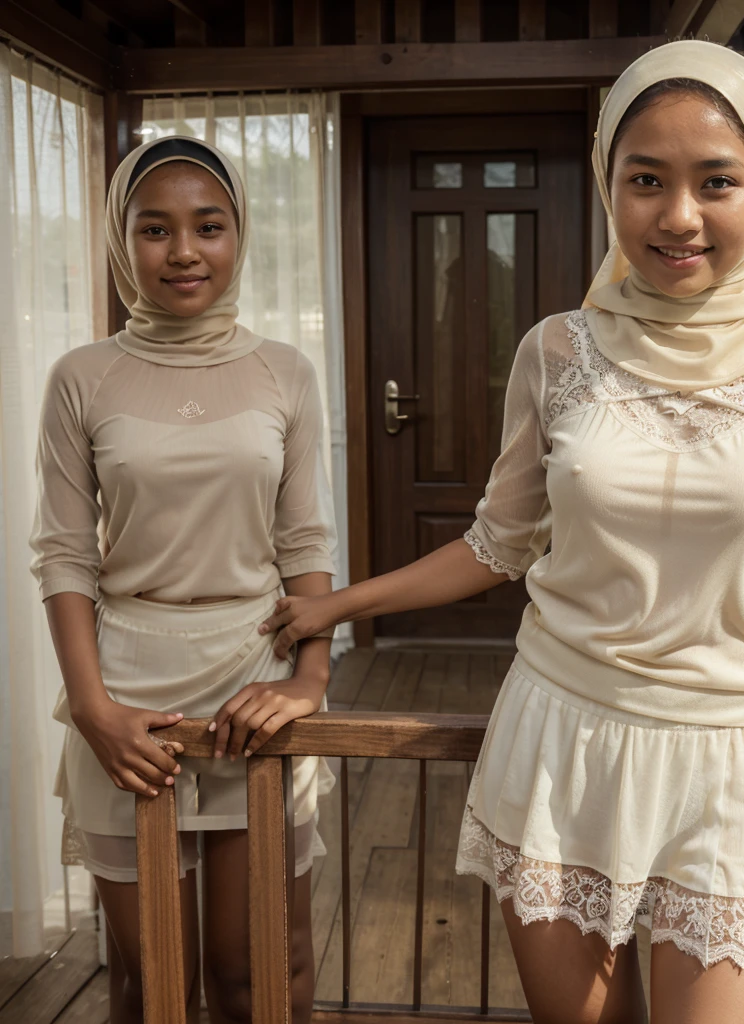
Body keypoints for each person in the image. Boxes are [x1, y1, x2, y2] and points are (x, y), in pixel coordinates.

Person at [258, 40, 744, 1024]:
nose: (678, 215)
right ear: (609, 188)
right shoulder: (556, 351)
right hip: (561, 735)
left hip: (727, 757)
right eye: (646, 180)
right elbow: (494, 543)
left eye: (715, 180)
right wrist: (339, 605)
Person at [30, 136, 337, 1024]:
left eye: (209, 225)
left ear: (239, 235)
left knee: (256, 976)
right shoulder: (80, 378)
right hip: (127, 692)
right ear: (123, 242)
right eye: (154, 228)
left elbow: (304, 537)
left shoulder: (286, 370)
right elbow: (64, 554)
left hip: (256, 685)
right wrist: (90, 708)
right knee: (149, 980)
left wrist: (311, 681)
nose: (184, 251)